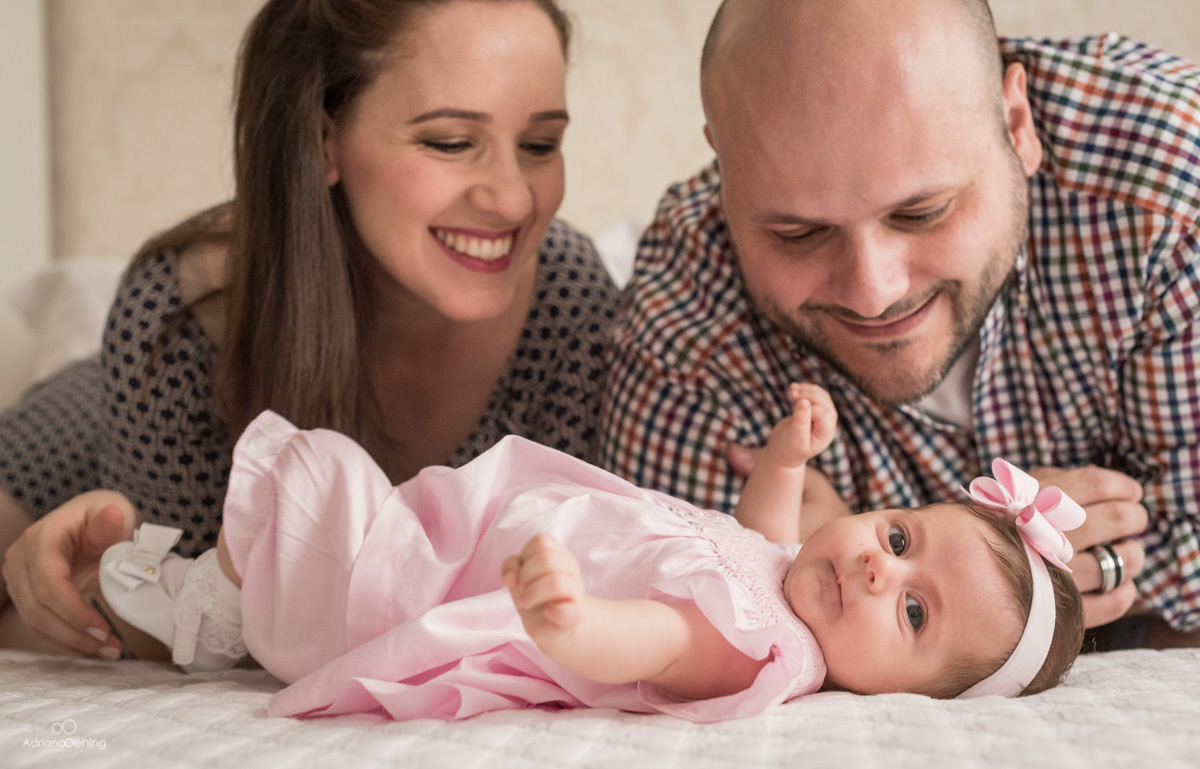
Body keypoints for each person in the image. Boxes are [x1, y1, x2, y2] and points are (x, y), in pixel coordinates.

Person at [0, 0, 617, 661]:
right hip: (96, 418)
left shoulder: (569, 298)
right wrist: (81, 600)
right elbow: (195, 624)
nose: (511, 200)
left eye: (539, 145)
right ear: (325, 140)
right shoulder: (178, 317)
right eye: (449, 142)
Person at [603, 0, 1200, 646]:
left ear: (1017, 123)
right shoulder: (682, 325)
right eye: (798, 233)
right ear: (725, 170)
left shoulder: (1172, 199)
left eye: (922, 211)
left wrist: (875, 536)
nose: (873, 291)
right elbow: (694, 624)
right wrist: (966, 572)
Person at [94, 383, 1084, 721]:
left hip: (438, 596)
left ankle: (212, 609)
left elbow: (657, 644)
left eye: (913, 611)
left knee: (326, 475)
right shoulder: (784, 579)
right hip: (466, 544)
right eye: (900, 537)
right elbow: (770, 524)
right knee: (349, 492)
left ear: (909, 698)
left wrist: (573, 622)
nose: (879, 567)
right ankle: (222, 593)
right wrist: (787, 457)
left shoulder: (763, 647)